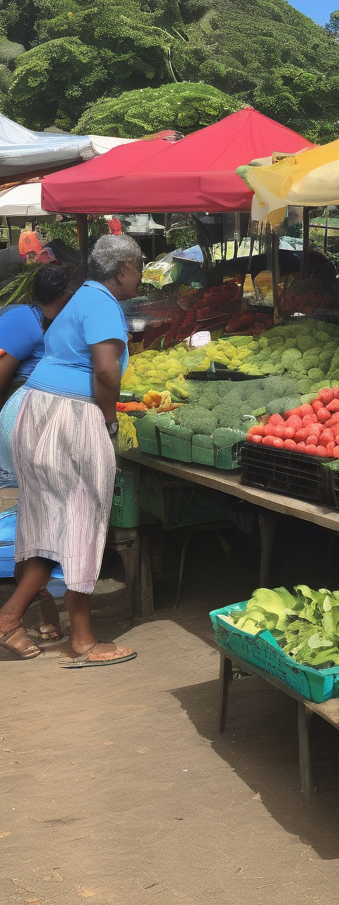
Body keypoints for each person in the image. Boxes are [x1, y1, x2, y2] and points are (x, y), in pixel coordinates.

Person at [0, 235, 143, 665]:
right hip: (71, 416)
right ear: (120, 270)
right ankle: (81, 640)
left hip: (36, 410)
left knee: (51, 524)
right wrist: (110, 419)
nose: (140, 274)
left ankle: (9, 619)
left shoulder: (81, 296)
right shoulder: (102, 304)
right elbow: (104, 372)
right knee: (82, 520)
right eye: (137, 267)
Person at [0, 265, 75, 643]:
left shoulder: (57, 320)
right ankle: (10, 618)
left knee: (39, 521)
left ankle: (46, 617)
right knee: (53, 524)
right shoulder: (22, 320)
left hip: (32, 417)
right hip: (33, 419)